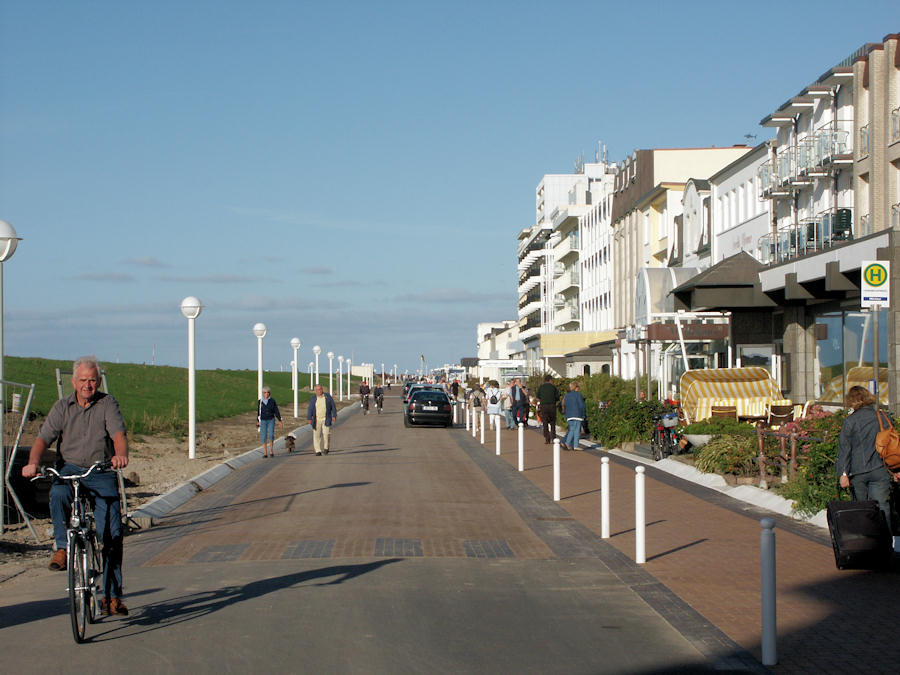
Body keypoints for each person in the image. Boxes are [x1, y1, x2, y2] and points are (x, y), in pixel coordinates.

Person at [21, 356, 130, 615]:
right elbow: (42, 438)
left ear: (98, 381)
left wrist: (120, 455)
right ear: (74, 381)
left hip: (100, 470)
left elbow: (118, 435)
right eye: (83, 380)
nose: (87, 385)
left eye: (92, 380)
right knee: (57, 492)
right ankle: (62, 548)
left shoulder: (107, 403)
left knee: (112, 535)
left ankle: (111, 597)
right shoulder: (62, 407)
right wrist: (33, 462)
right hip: (69, 469)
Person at [836, 385, 897, 531]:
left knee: (861, 509)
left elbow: (845, 450)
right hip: (881, 469)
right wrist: (896, 469)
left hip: (857, 472)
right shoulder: (883, 416)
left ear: (852, 401)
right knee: (882, 506)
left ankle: (865, 542)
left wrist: (843, 474)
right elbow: (892, 445)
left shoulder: (850, 421)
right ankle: (886, 544)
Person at [307, 384, 338, 456]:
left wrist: (334, 415)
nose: (319, 391)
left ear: (322, 389)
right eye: (317, 390)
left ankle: (326, 448)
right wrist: (309, 418)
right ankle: (318, 451)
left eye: (320, 389)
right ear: (315, 391)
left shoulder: (327, 397)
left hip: (326, 418)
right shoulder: (313, 399)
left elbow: (333, 406)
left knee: (326, 434)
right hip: (317, 419)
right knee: (316, 435)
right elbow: (310, 409)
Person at [257, 386, 283, 458]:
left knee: (271, 435)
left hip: (271, 419)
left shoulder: (272, 401)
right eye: (265, 392)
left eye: (268, 392)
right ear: (263, 393)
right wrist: (257, 421)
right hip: (263, 420)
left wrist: (280, 420)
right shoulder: (260, 402)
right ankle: (265, 453)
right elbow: (259, 412)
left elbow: (276, 411)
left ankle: (271, 451)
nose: (266, 394)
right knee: (263, 436)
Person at [561, 381, 587, 451]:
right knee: (576, 431)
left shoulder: (566, 395)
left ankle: (569, 443)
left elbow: (563, 405)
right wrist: (583, 414)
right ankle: (571, 444)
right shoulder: (578, 395)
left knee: (572, 429)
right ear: (576, 387)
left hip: (569, 415)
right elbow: (582, 405)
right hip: (577, 415)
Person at [536, 375, 560, 445]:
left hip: (544, 406)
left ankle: (547, 438)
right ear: (550, 380)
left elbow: (538, 397)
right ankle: (553, 437)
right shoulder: (554, 387)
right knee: (552, 422)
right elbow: (557, 397)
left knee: (545, 422)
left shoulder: (541, 387)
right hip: (552, 406)